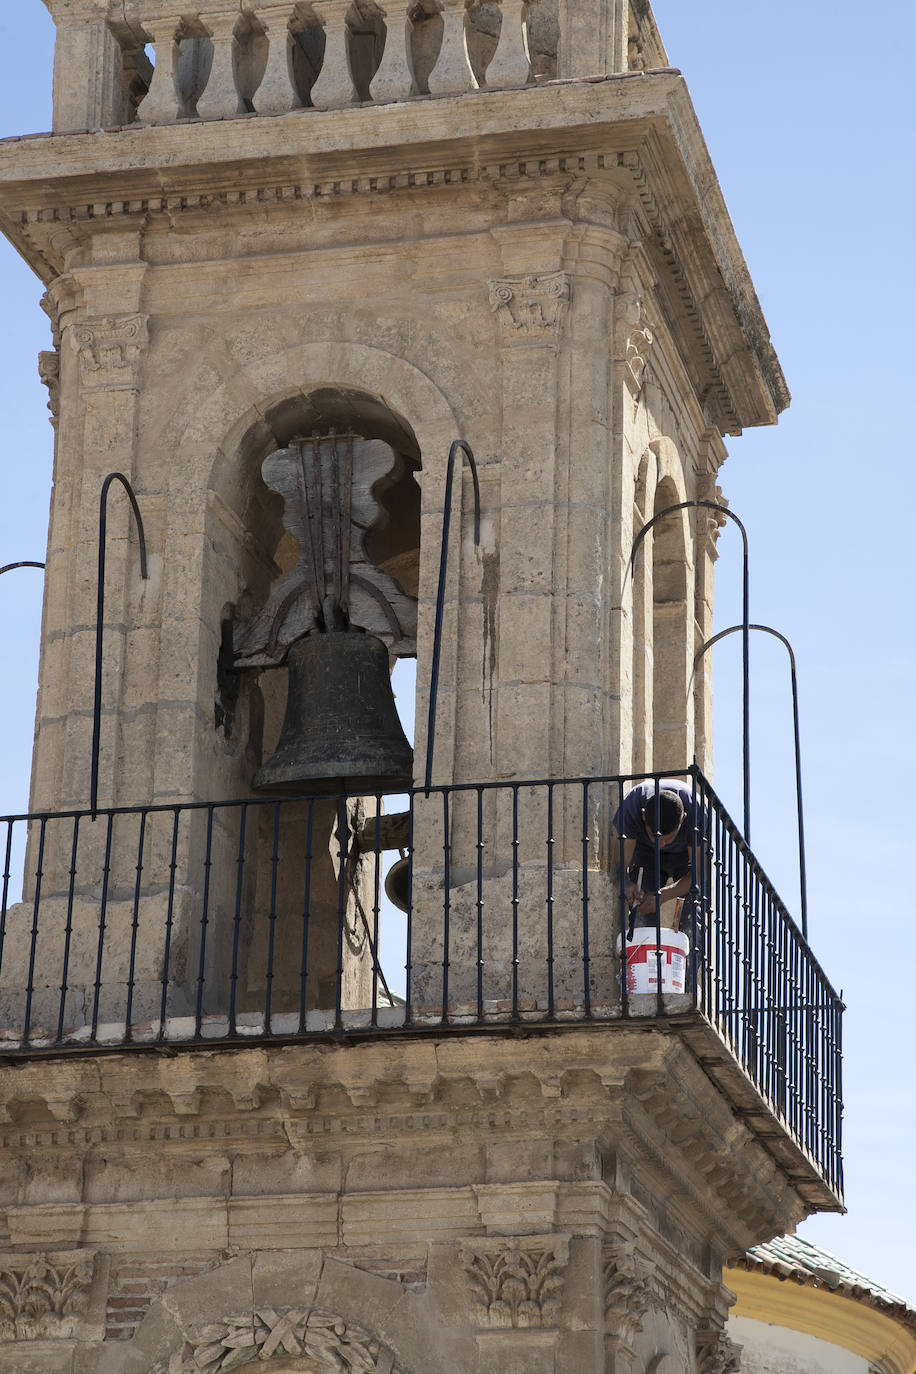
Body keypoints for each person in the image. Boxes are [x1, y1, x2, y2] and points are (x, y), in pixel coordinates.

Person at [612, 779, 698, 929]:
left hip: (685, 857)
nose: (660, 845)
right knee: (640, 913)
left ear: (683, 819)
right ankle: (642, 946)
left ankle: (690, 950)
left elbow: (699, 873)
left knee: (693, 910)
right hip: (645, 855)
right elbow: (620, 863)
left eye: (668, 838)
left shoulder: (695, 812)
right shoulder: (632, 805)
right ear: (643, 815)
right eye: (654, 836)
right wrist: (626, 884)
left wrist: (662, 896)